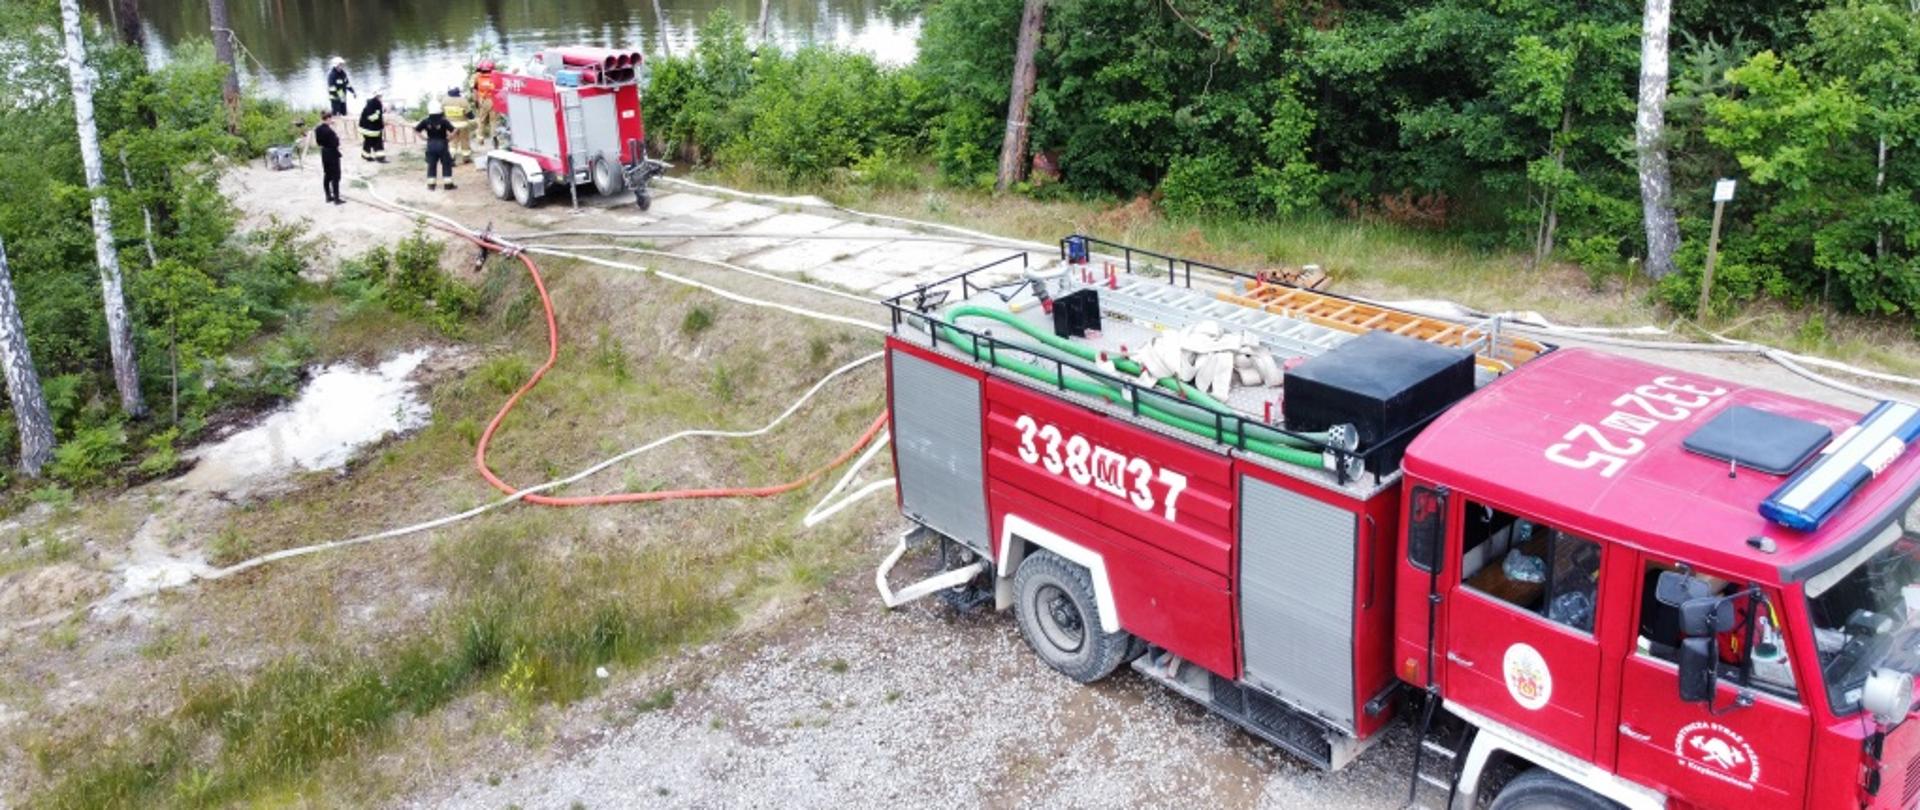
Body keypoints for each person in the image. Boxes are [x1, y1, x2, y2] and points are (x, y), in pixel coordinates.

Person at [415, 101, 457, 190]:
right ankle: (448, 184)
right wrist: (449, 138)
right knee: (446, 164)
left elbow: (416, 129)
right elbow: (454, 130)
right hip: (442, 144)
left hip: (430, 144)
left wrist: (423, 138)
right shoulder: (444, 120)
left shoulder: (425, 120)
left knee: (431, 164)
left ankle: (431, 185)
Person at [469, 59, 500, 148]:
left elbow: (474, 91)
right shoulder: (496, 77)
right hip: (494, 101)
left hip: (483, 101)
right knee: (493, 121)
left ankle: (480, 139)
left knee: (481, 120)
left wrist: (476, 102)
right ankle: (494, 136)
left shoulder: (477, 77)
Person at [315, 111, 343, 204]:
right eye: (331, 119)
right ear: (328, 119)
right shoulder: (329, 131)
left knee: (327, 175)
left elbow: (318, 142)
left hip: (324, 152)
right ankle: (336, 198)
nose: (332, 120)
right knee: (335, 176)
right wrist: (336, 133)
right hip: (332, 153)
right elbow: (336, 143)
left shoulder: (317, 129)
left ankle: (328, 196)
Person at [440, 86, 474, 163]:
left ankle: (451, 158)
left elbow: (441, 114)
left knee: (453, 142)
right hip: (463, 125)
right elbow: (470, 115)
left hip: (450, 126)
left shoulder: (445, 101)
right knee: (465, 141)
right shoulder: (463, 101)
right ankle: (466, 158)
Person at [358, 90, 387, 162]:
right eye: (380, 96)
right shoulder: (377, 104)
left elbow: (371, 113)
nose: (381, 98)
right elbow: (372, 117)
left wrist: (381, 112)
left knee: (368, 142)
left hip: (364, 128)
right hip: (371, 129)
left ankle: (365, 156)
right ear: (377, 96)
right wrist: (380, 114)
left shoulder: (370, 103)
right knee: (378, 143)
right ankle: (380, 158)